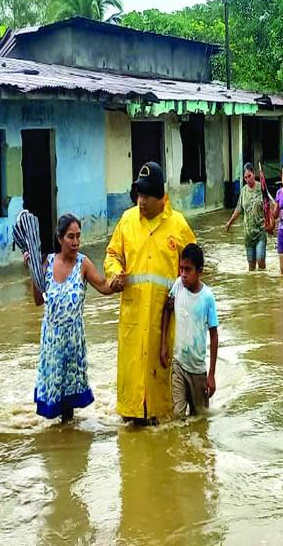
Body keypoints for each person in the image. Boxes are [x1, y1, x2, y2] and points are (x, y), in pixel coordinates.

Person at [104, 161, 197, 424]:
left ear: (161, 197)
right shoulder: (127, 220)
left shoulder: (177, 225)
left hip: (165, 319)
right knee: (132, 397)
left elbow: (195, 266)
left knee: (163, 404)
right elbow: (112, 254)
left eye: (146, 196)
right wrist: (115, 273)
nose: (141, 201)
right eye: (138, 195)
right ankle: (132, 415)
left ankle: (160, 416)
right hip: (133, 318)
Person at [24, 214, 116, 422]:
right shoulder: (47, 262)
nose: (75, 242)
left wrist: (118, 283)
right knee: (53, 398)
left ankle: (68, 434)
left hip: (73, 340)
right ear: (59, 238)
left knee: (69, 406)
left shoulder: (83, 264)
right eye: (70, 237)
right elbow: (38, 300)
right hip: (52, 341)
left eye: (78, 237)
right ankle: (60, 442)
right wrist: (34, 272)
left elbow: (103, 286)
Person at [159, 243, 219, 418]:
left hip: (198, 370)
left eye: (188, 270)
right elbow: (167, 309)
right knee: (178, 415)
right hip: (178, 364)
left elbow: (214, 336)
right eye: (181, 269)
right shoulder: (177, 286)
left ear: (199, 271)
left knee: (199, 418)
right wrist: (163, 343)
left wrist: (212, 375)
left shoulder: (207, 297)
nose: (183, 275)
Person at [224, 162, 269, 270]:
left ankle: (264, 284)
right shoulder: (243, 190)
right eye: (245, 177)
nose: (248, 179)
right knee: (251, 267)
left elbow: (269, 207)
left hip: (261, 232)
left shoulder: (261, 188)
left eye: (249, 176)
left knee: (260, 260)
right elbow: (238, 208)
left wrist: (272, 223)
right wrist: (229, 222)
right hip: (248, 234)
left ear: (254, 174)